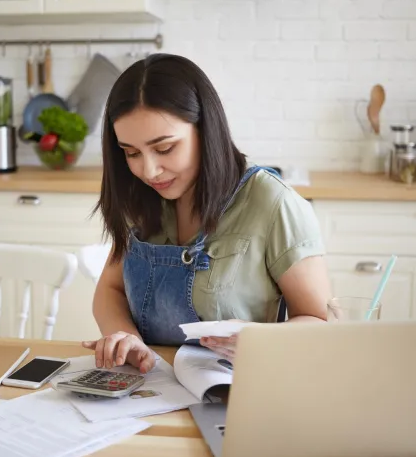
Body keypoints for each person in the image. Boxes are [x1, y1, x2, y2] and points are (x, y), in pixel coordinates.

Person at [82, 53, 332, 374]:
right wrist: (125, 338)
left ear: (205, 129)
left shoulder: (272, 203)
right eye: (131, 153)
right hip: (149, 389)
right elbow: (110, 289)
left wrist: (262, 339)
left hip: (239, 391)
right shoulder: (140, 196)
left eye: (165, 148)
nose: (149, 170)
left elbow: (320, 322)